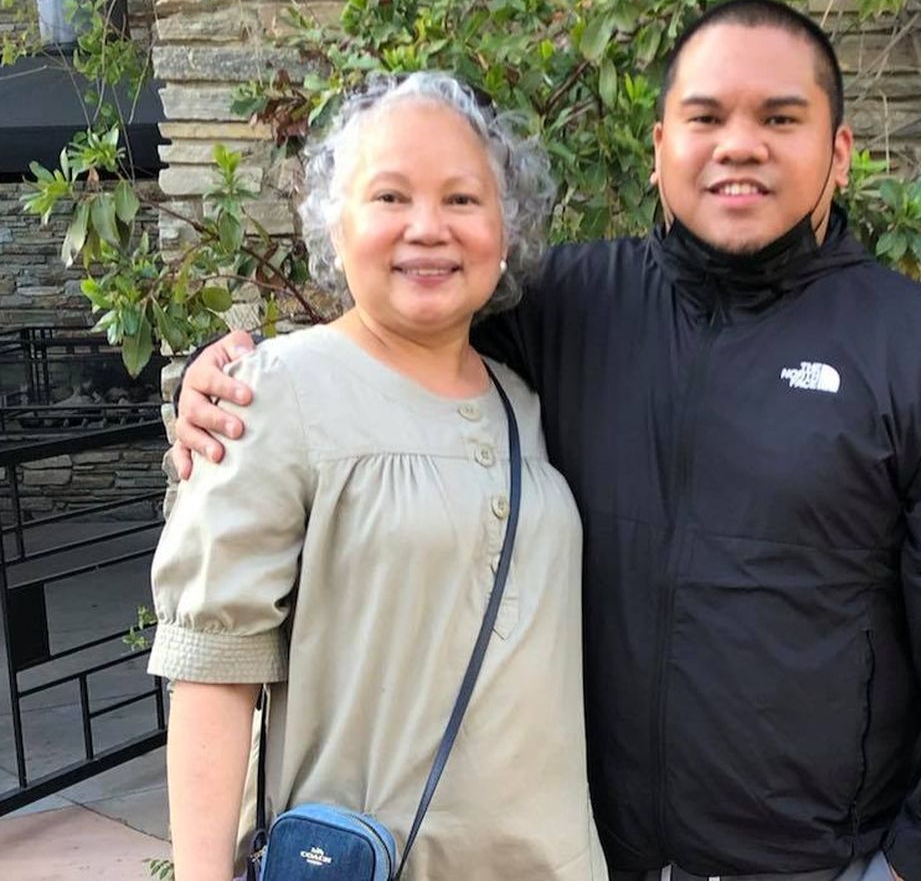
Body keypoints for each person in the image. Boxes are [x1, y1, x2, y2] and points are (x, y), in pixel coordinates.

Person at [172, 0, 921, 881]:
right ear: (660, 148)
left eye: (780, 119)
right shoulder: (570, 309)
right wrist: (230, 381)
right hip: (596, 858)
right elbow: (400, 341)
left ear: (841, 151)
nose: (739, 145)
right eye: (705, 118)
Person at [147, 71, 606, 881]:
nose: (428, 227)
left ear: (506, 229)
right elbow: (214, 671)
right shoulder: (273, 395)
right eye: (391, 196)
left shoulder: (526, 401)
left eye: (462, 199)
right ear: (337, 224)